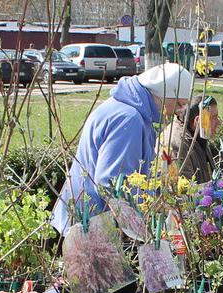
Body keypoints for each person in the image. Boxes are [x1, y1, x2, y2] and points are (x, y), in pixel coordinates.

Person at [53, 61, 194, 230]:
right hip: (91, 226)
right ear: (161, 94)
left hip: (87, 220)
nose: (180, 111)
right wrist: (140, 229)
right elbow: (112, 184)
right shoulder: (129, 119)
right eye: (178, 104)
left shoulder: (132, 111)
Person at [158, 95, 220, 181]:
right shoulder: (177, 143)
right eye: (214, 117)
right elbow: (184, 188)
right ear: (197, 121)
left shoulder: (199, 134)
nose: (218, 122)